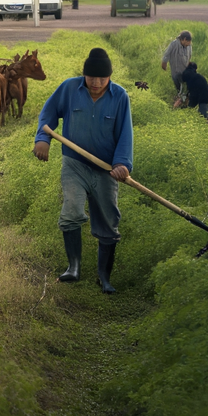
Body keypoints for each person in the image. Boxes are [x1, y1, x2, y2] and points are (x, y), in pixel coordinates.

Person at [34, 48, 133, 292]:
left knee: (109, 221)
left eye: (102, 79)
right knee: (71, 211)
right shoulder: (69, 89)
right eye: (91, 78)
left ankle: (104, 277)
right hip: (74, 165)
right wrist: (42, 139)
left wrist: (122, 164)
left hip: (106, 169)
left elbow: (125, 135)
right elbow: (48, 114)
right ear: (84, 75)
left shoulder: (120, 97)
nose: (97, 83)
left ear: (110, 77)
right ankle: (73, 267)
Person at [161, 30, 193, 94]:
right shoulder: (174, 44)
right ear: (184, 39)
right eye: (188, 41)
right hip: (176, 72)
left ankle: (184, 100)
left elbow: (189, 56)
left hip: (185, 72)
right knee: (180, 89)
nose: (189, 43)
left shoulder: (189, 46)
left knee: (186, 89)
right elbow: (166, 55)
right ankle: (181, 100)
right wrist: (164, 64)